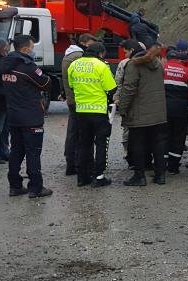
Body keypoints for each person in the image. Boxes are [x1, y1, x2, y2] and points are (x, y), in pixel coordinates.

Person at [1, 34, 53, 198]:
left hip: (14, 116)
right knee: (33, 153)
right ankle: (36, 188)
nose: (32, 50)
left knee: (16, 151)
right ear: (24, 49)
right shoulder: (27, 66)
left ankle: (15, 186)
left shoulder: (6, 64)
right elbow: (45, 83)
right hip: (31, 116)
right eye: (31, 47)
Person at [117, 41, 168, 186]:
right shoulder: (157, 64)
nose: (126, 55)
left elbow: (128, 89)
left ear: (132, 52)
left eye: (126, 52)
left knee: (137, 144)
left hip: (139, 113)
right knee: (158, 143)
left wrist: (123, 109)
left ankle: (139, 176)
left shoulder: (133, 65)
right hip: (158, 112)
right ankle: (160, 175)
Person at [69, 41, 116, 188]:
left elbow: (71, 85)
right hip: (98, 111)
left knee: (84, 144)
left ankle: (82, 177)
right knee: (101, 143)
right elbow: (111, 88)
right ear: (100, 53)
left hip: (81, 111)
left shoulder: (74, 65)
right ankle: (99, 176)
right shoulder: (101, 65)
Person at [62, 33, 99, 175]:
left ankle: (71, 162)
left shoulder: (69, 55)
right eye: (91, 43)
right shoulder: (79, 57)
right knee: (82, 134)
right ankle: (79, 164)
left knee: (72, 132)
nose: (92, 47)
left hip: (73, 100)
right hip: (80, 100)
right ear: (84, 42)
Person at [163, 40, 188, 174]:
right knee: (178, 138)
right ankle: (174, 166)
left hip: (163, 109)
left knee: (163, 136)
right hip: (181, 111)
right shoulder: (187, 72)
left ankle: (162, 164)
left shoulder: (162, 70)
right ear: (180, 59)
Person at [115, 39, 145, 169]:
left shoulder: (124, 64)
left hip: (129, 101)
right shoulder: (151, 62)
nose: (125, 53)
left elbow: (119, 83)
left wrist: (118, 99)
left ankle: (129, 155)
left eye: (126, 51)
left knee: (128, 129)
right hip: (143, 103)